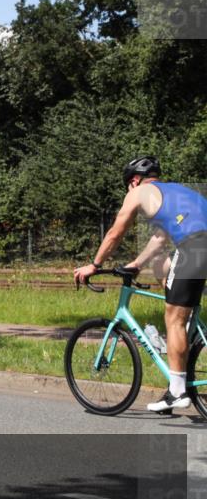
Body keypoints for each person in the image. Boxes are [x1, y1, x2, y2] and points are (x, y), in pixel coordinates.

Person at [73, 157, 207, 412]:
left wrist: (95, 264)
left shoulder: (138, 193)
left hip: (195, 246)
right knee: (160, 264)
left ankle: (178, 393)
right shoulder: (176, 192)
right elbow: (159, 240)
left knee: (173, 318)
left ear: (133, 181)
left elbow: (115, 232)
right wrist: (136, 263)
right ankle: (185, 334)